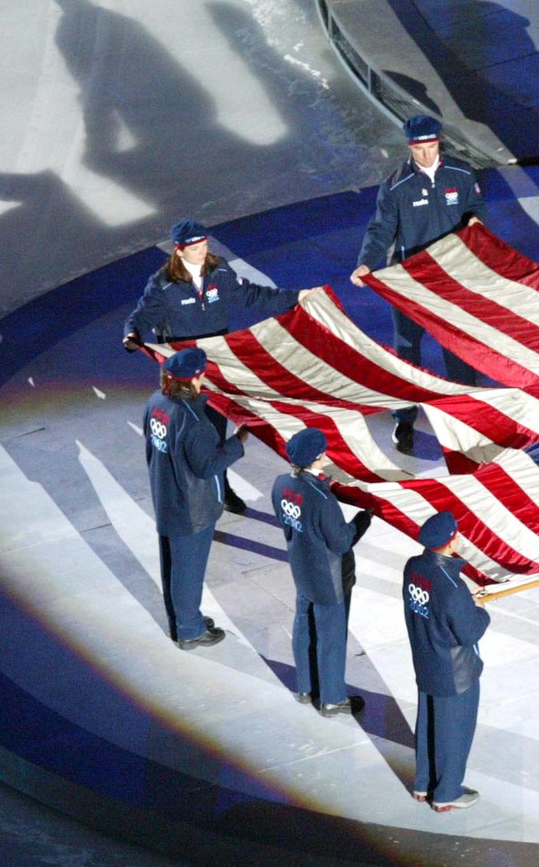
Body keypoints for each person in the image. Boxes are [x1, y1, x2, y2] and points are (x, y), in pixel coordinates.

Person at [126, 218, 305, 513]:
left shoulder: (219, 270)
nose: (201, 250)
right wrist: (132, 333)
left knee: (214, 430)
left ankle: (221, 488)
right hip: (181, 374)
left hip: (213, 367)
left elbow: (252, 294)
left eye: (204, 244)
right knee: (185, 433)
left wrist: (295, 297)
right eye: (194, 247)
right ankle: (189, 492)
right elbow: (142, 315)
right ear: (179, 251)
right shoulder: (163, 284)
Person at [352, 115, 486, 455]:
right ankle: (404, 417)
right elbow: (381, 229)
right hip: (409, 281)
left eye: (431, 148)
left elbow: (474, 205)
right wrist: (366, 262)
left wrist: (474, 219)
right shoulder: (396, 186)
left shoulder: (461, 173)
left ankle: (464, 407)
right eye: (419, 150)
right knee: (407, 349)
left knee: (456, 344)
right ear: (410, 148)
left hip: (451, 279)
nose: (426, 155)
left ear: (438, 143)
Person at [143, 347, 248, 649]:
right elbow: (208, 465)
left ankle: (183, 618)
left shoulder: (157, 403)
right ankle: (190, 630)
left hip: (166, 496)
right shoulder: (195, 423)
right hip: (192, 508)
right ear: (196, 378)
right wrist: (237, 442)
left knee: (172, 565)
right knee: (188, 570)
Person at [272, 428, 373, 715]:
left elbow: (290, 517)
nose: (327, 455)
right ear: (317, 458)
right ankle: (332, 697)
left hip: (302, 569)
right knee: (331, 636)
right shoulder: (322, 499)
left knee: (303, 625)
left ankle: (305, 686)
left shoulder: (281, 484)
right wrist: (363, 519)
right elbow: (341, 540)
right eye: (323, 453)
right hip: (329, 578)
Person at [403, 512, 490, 812]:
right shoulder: (453, 588)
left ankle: (423, 783)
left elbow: (434, 607)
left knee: (427, 726)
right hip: (455, 673)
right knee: (455, 733)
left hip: (426, 660)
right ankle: (447, 792)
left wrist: (466, 601)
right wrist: (479, 609)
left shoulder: (414, 567)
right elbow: (469, 632)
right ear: (452, 541)